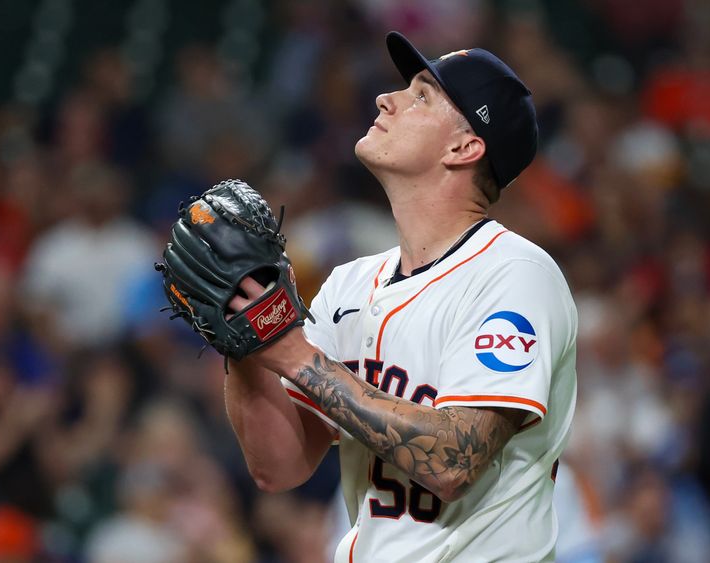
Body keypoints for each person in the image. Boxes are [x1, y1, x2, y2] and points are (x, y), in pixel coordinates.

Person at [223, 32, 577, 562]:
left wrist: (296, 356)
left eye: (422, 95)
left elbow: (455, 461)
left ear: (465, 147)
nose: (385, 99)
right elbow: (278, 467)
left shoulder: (516, 273)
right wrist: (243, 343)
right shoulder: (348, 284)